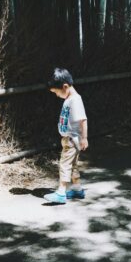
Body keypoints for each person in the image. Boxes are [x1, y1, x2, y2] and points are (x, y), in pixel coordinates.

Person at [44, 68, 88, 204]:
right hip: (68, 139)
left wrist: (84, 138)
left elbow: (83, 120)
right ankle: (77, 189)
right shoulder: (70, 99)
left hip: (71, 139)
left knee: (64, 165)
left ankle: (61, 192)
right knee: (73, 165)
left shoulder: (75, 100)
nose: (57, 95)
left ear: (65, 86)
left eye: (57, 92)